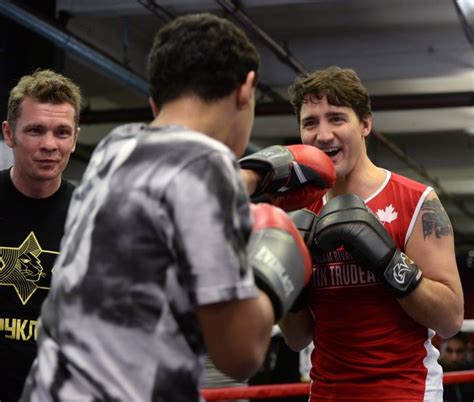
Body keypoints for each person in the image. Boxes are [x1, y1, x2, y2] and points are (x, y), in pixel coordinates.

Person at [20, 13, 336, 402]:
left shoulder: (116, 149)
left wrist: (254, 177)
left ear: (156, 100)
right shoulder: (209, 170)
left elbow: (170, 187)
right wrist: (276, 259)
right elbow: (240, 354)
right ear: (246, 90)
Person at [278, 66, 464, 401]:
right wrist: (293, 289)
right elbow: (296, 338)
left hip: (405, 390)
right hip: (326, 393)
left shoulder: (417, 202)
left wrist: (388, 262)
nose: (322, 135)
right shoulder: (301, 214)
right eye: (310, 122)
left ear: (365, 124)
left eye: (336, 118)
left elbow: (450, 319)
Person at [0, 69, 81, 401]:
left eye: (62, 132)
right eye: (35, 130)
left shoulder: (93, 215)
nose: (50, 145)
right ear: (9, 134)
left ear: (75, 138)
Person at [439, 331, 474, 402]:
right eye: (449, 351)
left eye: (459, 351)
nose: (454, 358)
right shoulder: (434, 372)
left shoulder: (471, 370)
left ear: (466, 350)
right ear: (442, 349)